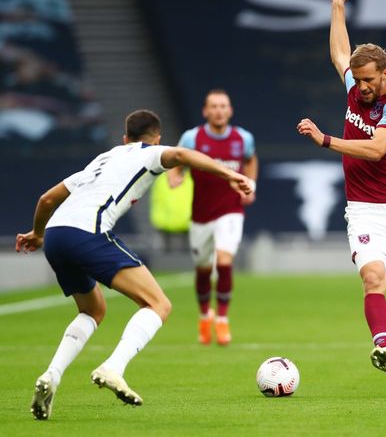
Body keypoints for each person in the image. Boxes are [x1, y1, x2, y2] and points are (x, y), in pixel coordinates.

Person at [15, 109, 253, 420]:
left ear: (124, 138)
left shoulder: (102, 159)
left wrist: (37, 233)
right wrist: (230, 173)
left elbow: (47, 199)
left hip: (56, 235)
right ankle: (113, 367)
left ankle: (52, 376)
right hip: (88, 232)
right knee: (158, 304)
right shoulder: (150, 152)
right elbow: (181, 154)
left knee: (93, 310)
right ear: (157, 138)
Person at [297, 0, 386, 378]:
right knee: (372, 279)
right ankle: (384, 347)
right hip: (364, 210)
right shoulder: (356, 85)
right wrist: (337, 6)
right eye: (358, 80)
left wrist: (325, 140)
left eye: (369, 80)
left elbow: (375, 149)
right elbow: (339, 52)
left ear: (385, 74)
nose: (361, 86)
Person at [167, 89, 258, 346]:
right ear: (205, 111)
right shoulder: (192, 137)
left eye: (223, 106)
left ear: (229, 110)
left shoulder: (243, 138)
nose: (218, 110)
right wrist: (176, 175)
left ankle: (222, 319)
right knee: (204, 268)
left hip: (230, 210)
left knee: (225, 259)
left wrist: (251, 184)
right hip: (201, 215)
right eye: (214, 106)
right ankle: (204, 315)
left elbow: (251, 160)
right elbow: (176, 159)